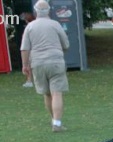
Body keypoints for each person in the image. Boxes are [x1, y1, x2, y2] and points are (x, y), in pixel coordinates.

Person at [21, 0, 70, 132]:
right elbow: (66, 44)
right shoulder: (55, 25)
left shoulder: (30, 27)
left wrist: (25, 65)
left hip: (38, 63)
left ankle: (54, 120)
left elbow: (25, 49)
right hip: (55, 61)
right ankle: (57, 123)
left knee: (47, 94)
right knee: (57, 93)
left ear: (36, 11)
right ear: (48, 11)